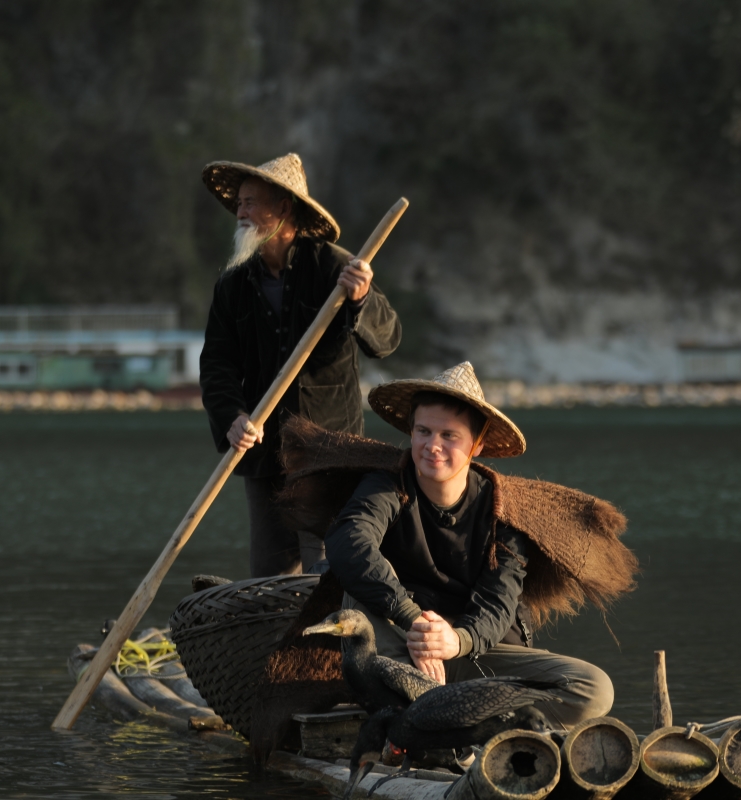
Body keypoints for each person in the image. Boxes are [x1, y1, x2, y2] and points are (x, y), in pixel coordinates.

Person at [322, 362, 625, 728]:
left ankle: (464, 715)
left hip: (474, 651)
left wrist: (456, 642)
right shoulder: (387, 485)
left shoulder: (504, 510)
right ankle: (435, 712)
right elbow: (349, 541)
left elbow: (497, 603)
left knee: (594, 689)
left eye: (449, 436)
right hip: (403, 646)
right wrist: (412, 619)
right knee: (357, 596)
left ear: (476, 445)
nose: (432, 446)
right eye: (423, 431)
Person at [199, 152, 401, 577]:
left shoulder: (334, 267)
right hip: (263, 452)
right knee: (270, 580)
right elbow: (217, 364)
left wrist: (361, 299)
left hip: (327, 453)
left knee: (327, 574)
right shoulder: (233, 284)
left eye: (251, 202)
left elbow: (387, 339)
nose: (240, 211)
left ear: (285, 208)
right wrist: (232, 417)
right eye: (239, 203)